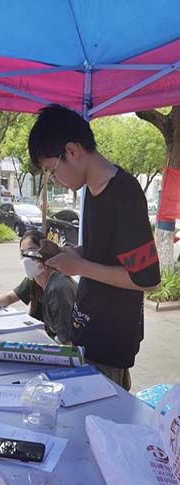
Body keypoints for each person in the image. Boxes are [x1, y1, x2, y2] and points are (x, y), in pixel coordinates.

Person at [28, 104, 161, 390]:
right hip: (86, 329)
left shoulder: (124, 193)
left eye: (53, 170)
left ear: (72, 151)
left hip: (110, 341)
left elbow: (147, 279)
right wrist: (70, 253)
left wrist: (81, 266)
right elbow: (106, 251)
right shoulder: (91, 189)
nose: (56, 180)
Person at [0, 230, 77, 344]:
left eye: (31, 251)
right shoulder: (33, 280)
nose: (26, 257)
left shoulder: (58, 288)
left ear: (44, 252)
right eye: (22, 253)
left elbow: (66, 342)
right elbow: (10, 297)